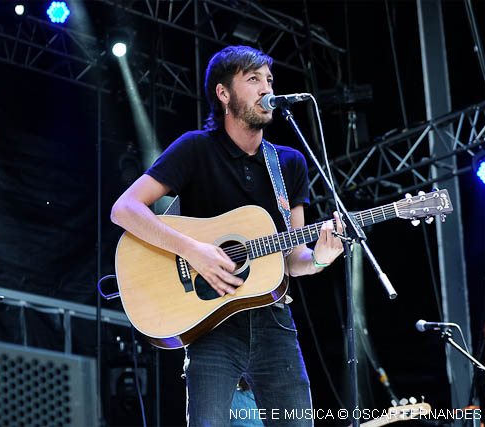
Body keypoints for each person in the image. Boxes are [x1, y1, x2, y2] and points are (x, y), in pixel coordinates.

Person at [110, 45, 344, 427]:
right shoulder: (195, 149)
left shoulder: (289, 163)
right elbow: (125, 209)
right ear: (224, 94)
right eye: (252, 79)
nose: (265, 87)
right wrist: (193, 249)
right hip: (211, 323)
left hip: (274, 322)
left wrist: (319, 258)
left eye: (268, 79)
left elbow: (294, 257)